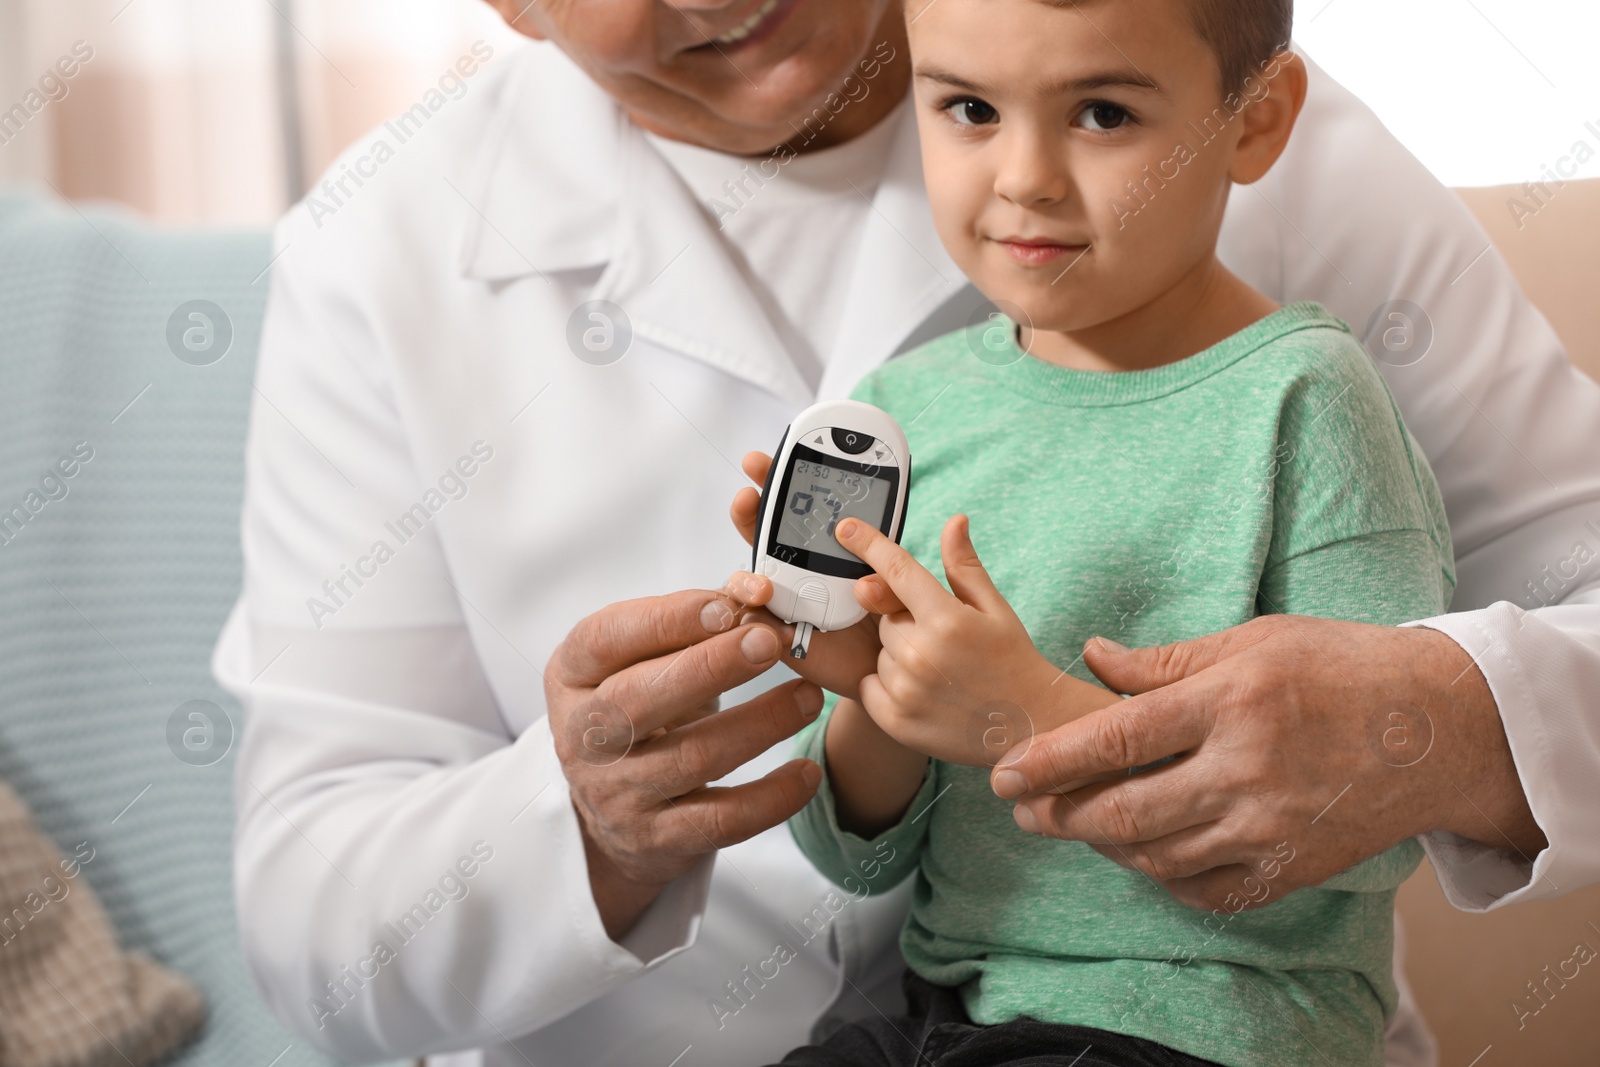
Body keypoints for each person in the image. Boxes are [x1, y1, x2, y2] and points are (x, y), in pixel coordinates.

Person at [211, 0, 1600, 1064]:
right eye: (971, 115)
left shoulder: (1197, 77)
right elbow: (310, 929)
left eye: (1099, 120)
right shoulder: (372, 251)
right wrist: (585, 825)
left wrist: (1445, 721)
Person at [725, 0, 1448, 1063]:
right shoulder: (903, 412)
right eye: (969, 107)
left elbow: (1369, 820)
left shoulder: (1303, 398)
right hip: (938, 1014)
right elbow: (859, 858)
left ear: (1254, 122)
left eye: (1103, 113)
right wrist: (871, 691)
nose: (1024, 177)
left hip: (1205, 1025)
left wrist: (1028, 723)